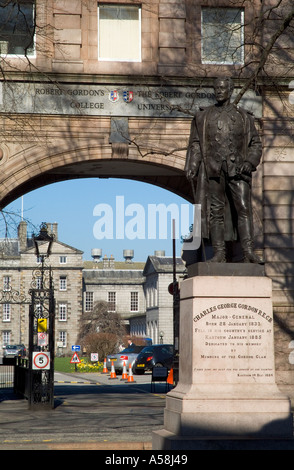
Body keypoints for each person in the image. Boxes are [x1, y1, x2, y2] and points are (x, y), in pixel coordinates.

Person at [185, 77, 263, 263]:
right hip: (213, 169)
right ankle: (219, 254)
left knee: (244, 209)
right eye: (216, 88)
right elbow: (196, 143)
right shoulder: (203, 116)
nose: (218, 91)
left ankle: (248, 252)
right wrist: (192, 164)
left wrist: (250, 163)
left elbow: (256, 144)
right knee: (215, 212)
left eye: (222, 88)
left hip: (238, 170)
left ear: (230, 90)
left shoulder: (245, 117)